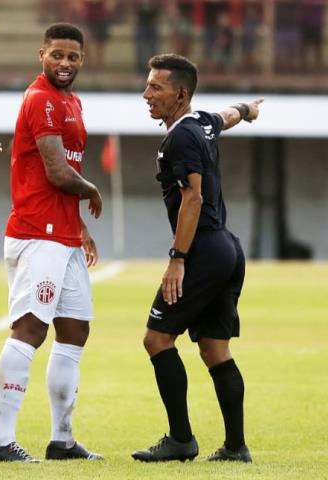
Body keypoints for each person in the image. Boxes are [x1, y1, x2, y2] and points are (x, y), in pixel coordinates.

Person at [132, 53, 262, 463]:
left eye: (156, 87)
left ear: (180, 93)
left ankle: (181, 439)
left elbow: (193, 196)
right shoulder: (201, 122)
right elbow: (226, 116)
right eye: (148, 85)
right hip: (227, 248)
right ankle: (236, 447)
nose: (146, 94)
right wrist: (248, 109)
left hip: (203, 250)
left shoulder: (181, 137)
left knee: (156, 339)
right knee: (214, 349)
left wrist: (178, 258)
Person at [0, 23, 103, 463]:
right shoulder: (41, 100)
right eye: (57, 55)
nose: (65, 63)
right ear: (41, 55)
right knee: (31, 329)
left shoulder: (72, 100)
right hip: (38, 234)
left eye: (73, 56)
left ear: (82, 59)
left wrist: (81, 228)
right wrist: (91, 190)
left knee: (75, 331)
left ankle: (62, 439)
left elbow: (63, 173)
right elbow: (56, 171)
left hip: (64, 234)